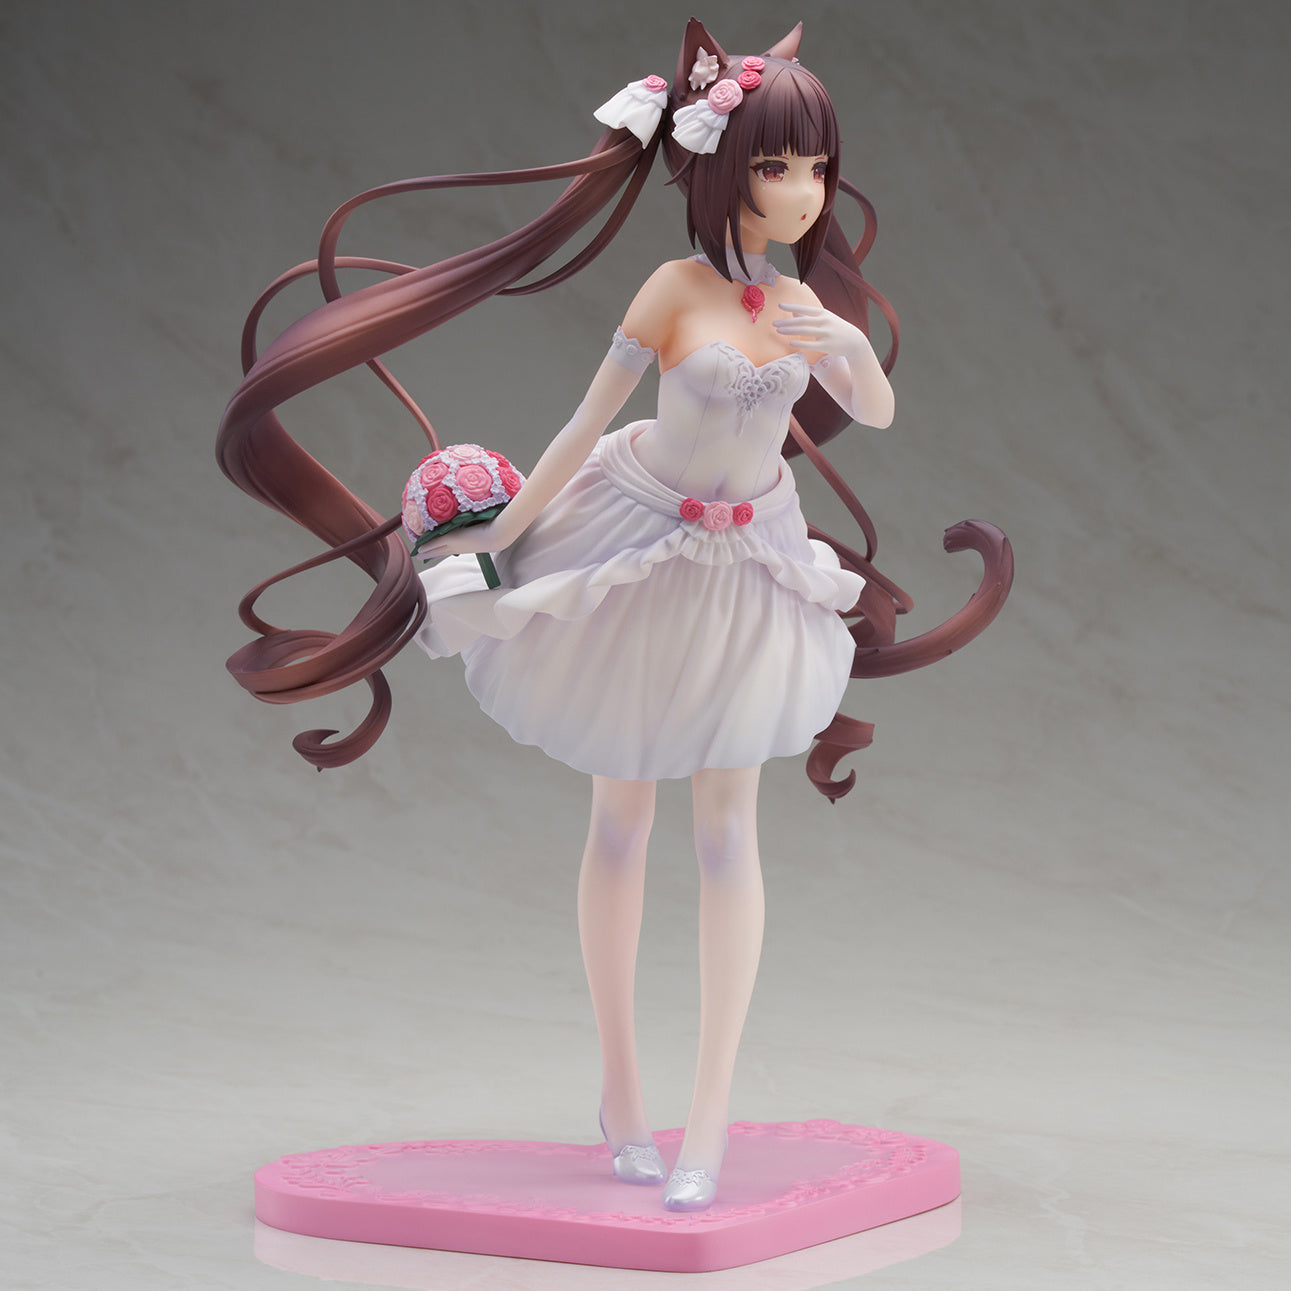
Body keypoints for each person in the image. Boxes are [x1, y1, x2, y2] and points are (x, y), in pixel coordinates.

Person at [217, 18, 1011, 1212]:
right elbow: (584, 423)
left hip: (750, 560)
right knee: (623, 818)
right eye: (776, 165)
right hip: (634, 540)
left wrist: (847, 343)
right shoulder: (673, 288)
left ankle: (709, 1118)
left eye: (815, 168)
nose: (802, 191)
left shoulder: (799, 298)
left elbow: (877, 410)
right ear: (720, 167)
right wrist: (500, 543)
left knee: (729, 833)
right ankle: (624, 1094)